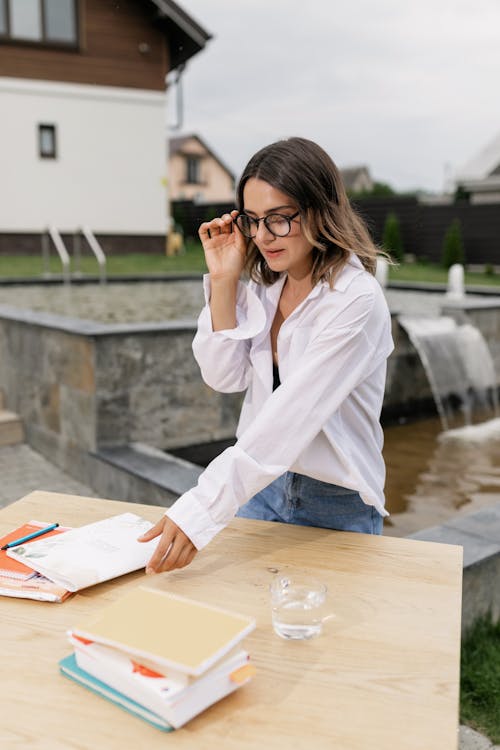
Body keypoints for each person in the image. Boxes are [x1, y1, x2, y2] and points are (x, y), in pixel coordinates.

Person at [139, 137, 394, 573]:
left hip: (333, 506)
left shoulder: (356, 301)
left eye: (278, 219)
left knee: (322, 637)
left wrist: (202, 508)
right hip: (259, 492)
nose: (261, 236)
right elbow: (224, 377)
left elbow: (290, 418)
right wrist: (224, 281)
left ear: (319, 209)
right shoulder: (264, 286)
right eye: (253, 221)